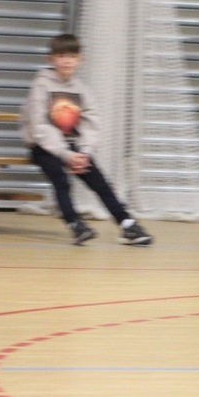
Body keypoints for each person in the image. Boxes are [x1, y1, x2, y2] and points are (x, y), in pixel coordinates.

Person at [20, 33, 153, 246]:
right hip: (44, 146)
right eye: (61, 56)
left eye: (72, 56)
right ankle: (75, 225)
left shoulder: (81, 89)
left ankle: (128, 224)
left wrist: (84, 152)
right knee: (60, 180)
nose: (66, 61)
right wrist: (65, 154)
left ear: (80, 60)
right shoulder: (41, 86)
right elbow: (39, 126)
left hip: (73, 147)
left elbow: (90, 121)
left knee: (100, 182)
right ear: (51, 59)